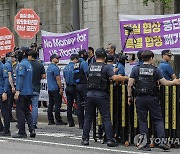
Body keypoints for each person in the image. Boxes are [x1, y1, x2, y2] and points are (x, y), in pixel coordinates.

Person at [128, 50, 180, 151]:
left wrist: (130, 97)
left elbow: (130, 84)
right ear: (151, 58)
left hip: (140, 98)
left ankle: (144, 144)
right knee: (158, 120)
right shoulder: (156, 70)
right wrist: (174, 81)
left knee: (143, 121)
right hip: (152, 98)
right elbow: (164, 82)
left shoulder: (136, 69)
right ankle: (162, 142)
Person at [81, 48, 129, 147]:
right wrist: (127, 77)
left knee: (88, 117)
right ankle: (110, 140)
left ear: (95, 56)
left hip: (89, 94)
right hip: (101, 94)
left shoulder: (90, 66)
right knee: (106, 117)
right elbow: (114, 78)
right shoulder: (106, 67)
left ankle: (85, 139)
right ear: (105, 57)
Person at [13, 47, 36, 138]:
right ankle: (32, 129)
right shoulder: (29, 64)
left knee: (20, 112)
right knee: (27, 111)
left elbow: (21, 78)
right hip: (29, 91)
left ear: (23, 53)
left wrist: (18, 90)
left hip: (22, 92)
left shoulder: (22, 65)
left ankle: (22, 132)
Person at [47, 54, 67, 125]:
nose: (58, 59)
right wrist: (61, 88)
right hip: (55, 88)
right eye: (57, 58)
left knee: (51, 104)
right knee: (57, 105)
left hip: (50, 88)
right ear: (52, 59)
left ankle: (50, 120)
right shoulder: (55, 68)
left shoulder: (49, 67)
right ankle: (58, 120)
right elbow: (58, 79)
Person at [28, 50, 46, 129]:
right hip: (36, 87)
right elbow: (44, 76)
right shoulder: (40, 65)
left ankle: (27, 122)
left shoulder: (27, 64)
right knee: (35, 107)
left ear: (31, 56)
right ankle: (34, 123)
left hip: (27, 88)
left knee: (25, 106)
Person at [74, 49, 88, 129]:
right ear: (82, 55)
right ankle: (86, 123)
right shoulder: (83, 63)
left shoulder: (76, 63)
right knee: (87, 104)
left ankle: (80, 124)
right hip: (84, 85)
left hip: (77, 85)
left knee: (79, 105)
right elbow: (87, 72)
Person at [63, 54, 79, 127]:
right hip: (74, 87)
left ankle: (70, 122)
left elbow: (64, 78)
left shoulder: (65, 67)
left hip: (68, 87)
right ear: (75, 59)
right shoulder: (75, 66)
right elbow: (77, 77)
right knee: (78, 104)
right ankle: (80, 121)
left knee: (69, 105)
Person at [4, 52, 16, 122]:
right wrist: (12, 86)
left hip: (8, 85)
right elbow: (9, 76)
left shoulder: (7, 64)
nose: (13, 58)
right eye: (12, 56)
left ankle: (9, 116)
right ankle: (9, 117)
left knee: (9, 102)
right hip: (9, 86)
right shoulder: (8, 65)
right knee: (9, 102)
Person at [0, 56, 10, 136]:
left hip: (1, 92)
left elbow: (6, 80)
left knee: (4, 112)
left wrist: (5, 91)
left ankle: (7, 130)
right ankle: (1, 128)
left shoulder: (3, 67)